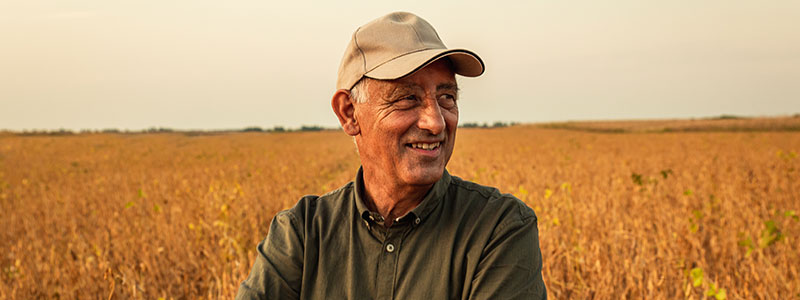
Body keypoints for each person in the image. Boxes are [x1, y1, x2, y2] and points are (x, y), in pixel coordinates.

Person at [236, 11, 546, 300]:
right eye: (407, 98)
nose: (436, 122)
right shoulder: (302, 233)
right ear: (349, 114)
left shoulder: (498, 228)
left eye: (446, 97)